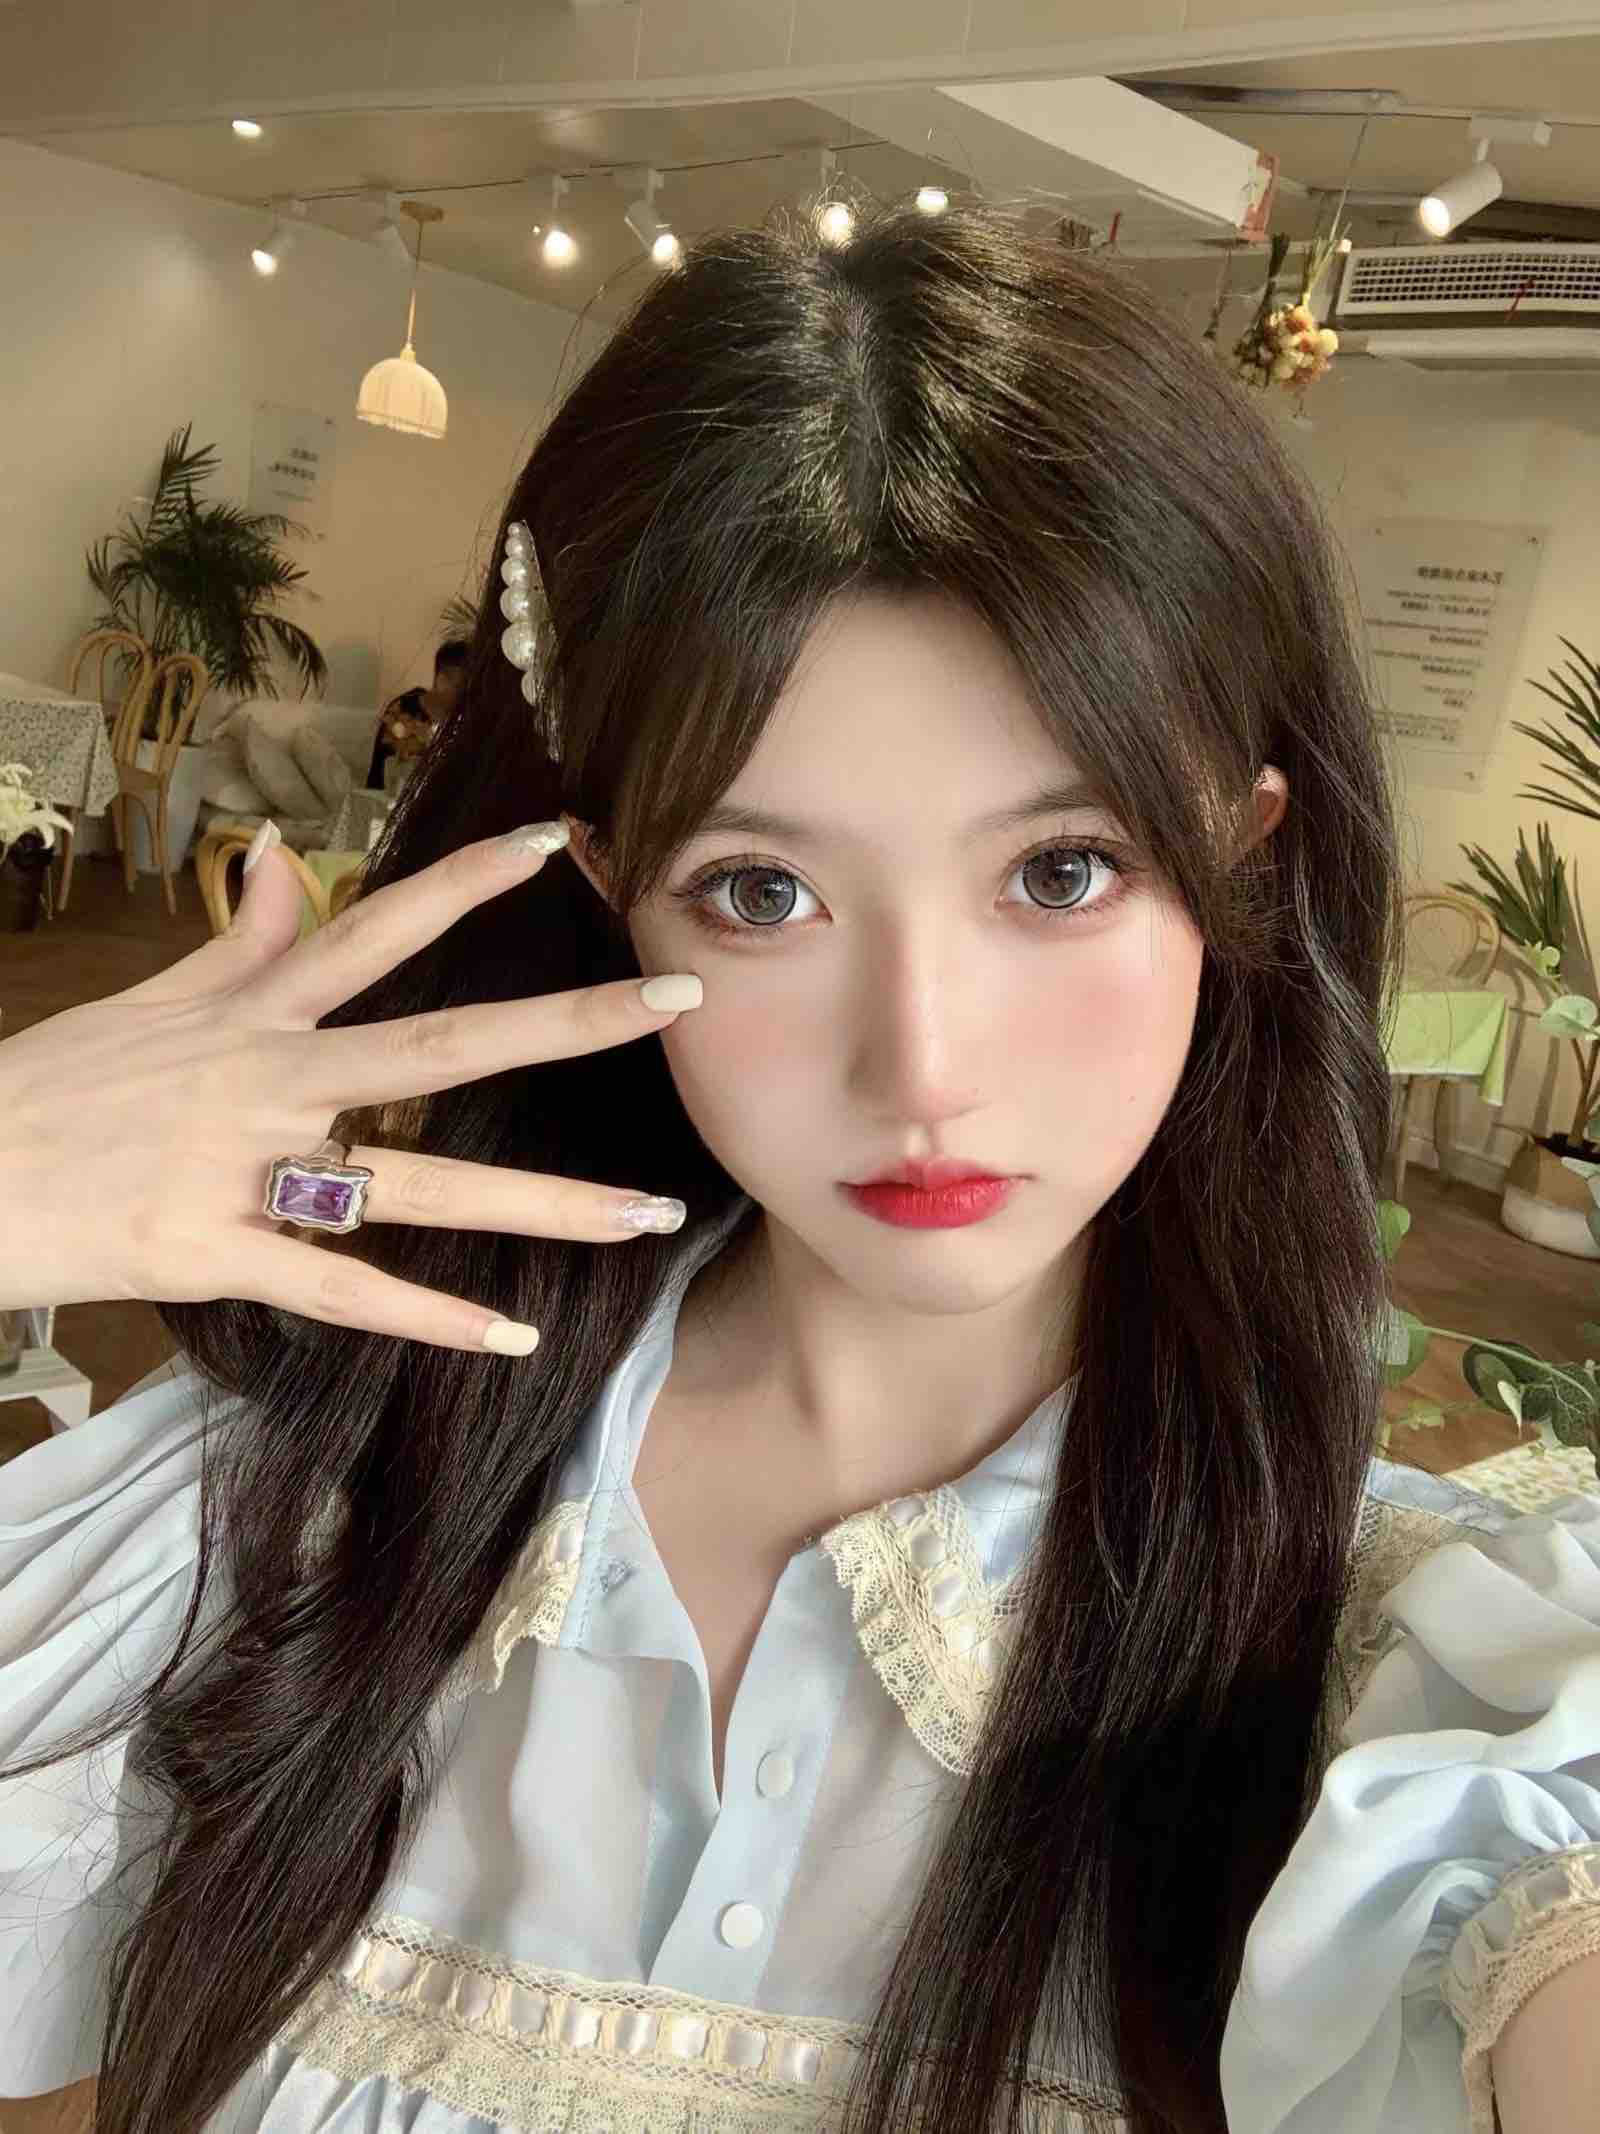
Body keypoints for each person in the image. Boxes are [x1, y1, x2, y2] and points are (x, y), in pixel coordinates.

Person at [0, 200, 1596, 2134]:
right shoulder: (307, 1501)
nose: (921, 1064)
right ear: (614, 885)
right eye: (762, 890)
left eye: (1063, 870)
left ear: (1241, 856)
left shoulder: (1404, 1693)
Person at [364, 638, 469, 790]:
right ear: (442, 680)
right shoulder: (403, 710)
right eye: (460, 686)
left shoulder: (462, 718)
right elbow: (395, 776)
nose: (466, 694)